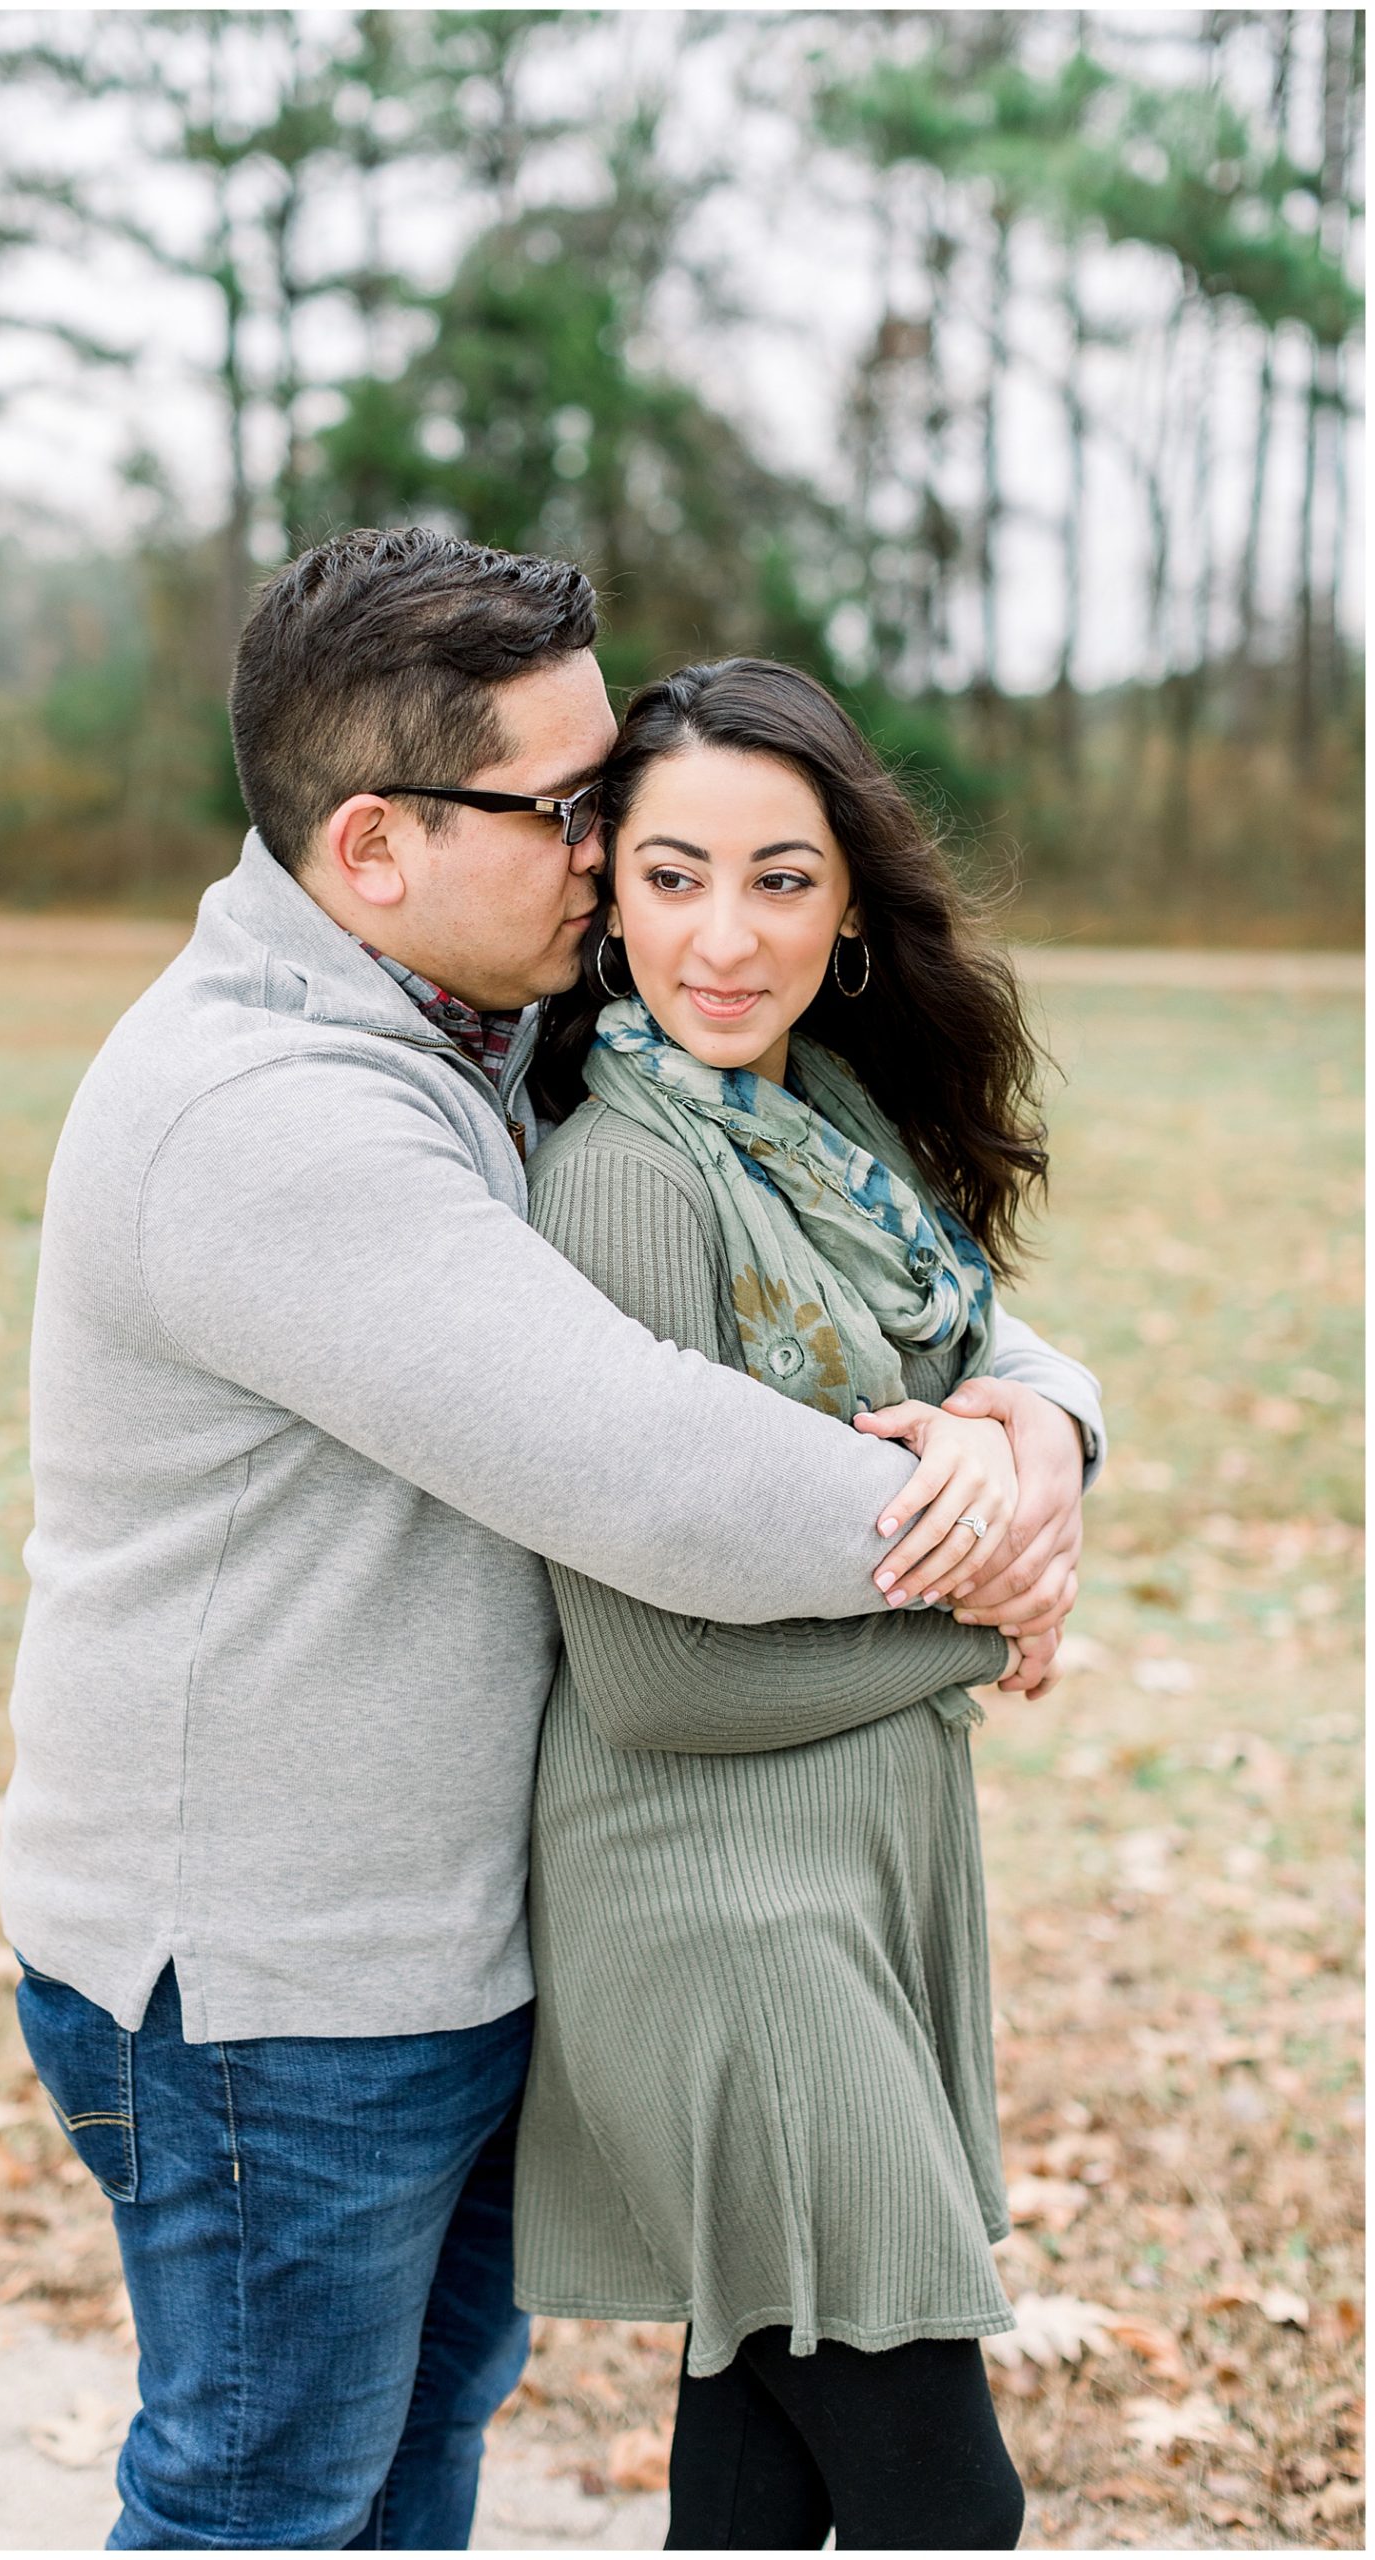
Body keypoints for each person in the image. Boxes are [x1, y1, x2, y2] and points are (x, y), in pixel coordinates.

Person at [0, 531, 1104, 2551]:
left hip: (440, 1935)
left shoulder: (483, 1015)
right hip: (262, 1978)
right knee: (266, 2498)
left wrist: (1034, 1422)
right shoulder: (269, 1113)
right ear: (374, 841)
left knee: (410, 2478)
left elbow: (883, 1263)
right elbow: (651, 1467)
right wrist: (985, 1554)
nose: (614, 854)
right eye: (568, 810)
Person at [515, 656, 1085, 2551]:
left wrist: (1030, 1442)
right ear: (603, 894)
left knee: (753, 2488)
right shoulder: (624, 1185)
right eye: (671, 876)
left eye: (779, 879)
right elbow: (654, 1672)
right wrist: (982, 1609)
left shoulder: (828, 1134)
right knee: (946, 2499)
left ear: (849, 908)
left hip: (849, 1867)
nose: (723, 939)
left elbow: (994, 1364)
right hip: (712, 1900)